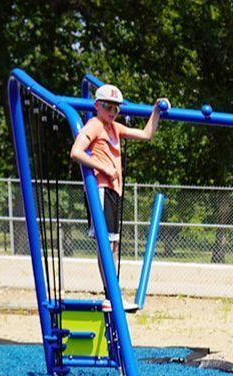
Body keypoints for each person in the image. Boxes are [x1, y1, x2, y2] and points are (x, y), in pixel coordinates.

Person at [69, 84, 169, 291]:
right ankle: (111, 292)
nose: (113, 112)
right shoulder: (94, 125)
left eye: (117, 108)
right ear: (97, 105)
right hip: (102, 189)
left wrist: (156, 110)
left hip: (113, 190)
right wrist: (103, 166)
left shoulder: (115, 128)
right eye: (108, 107)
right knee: (107, 245)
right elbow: (76, 152)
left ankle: (112, 292)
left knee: (112, 245)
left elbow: (146, 134)